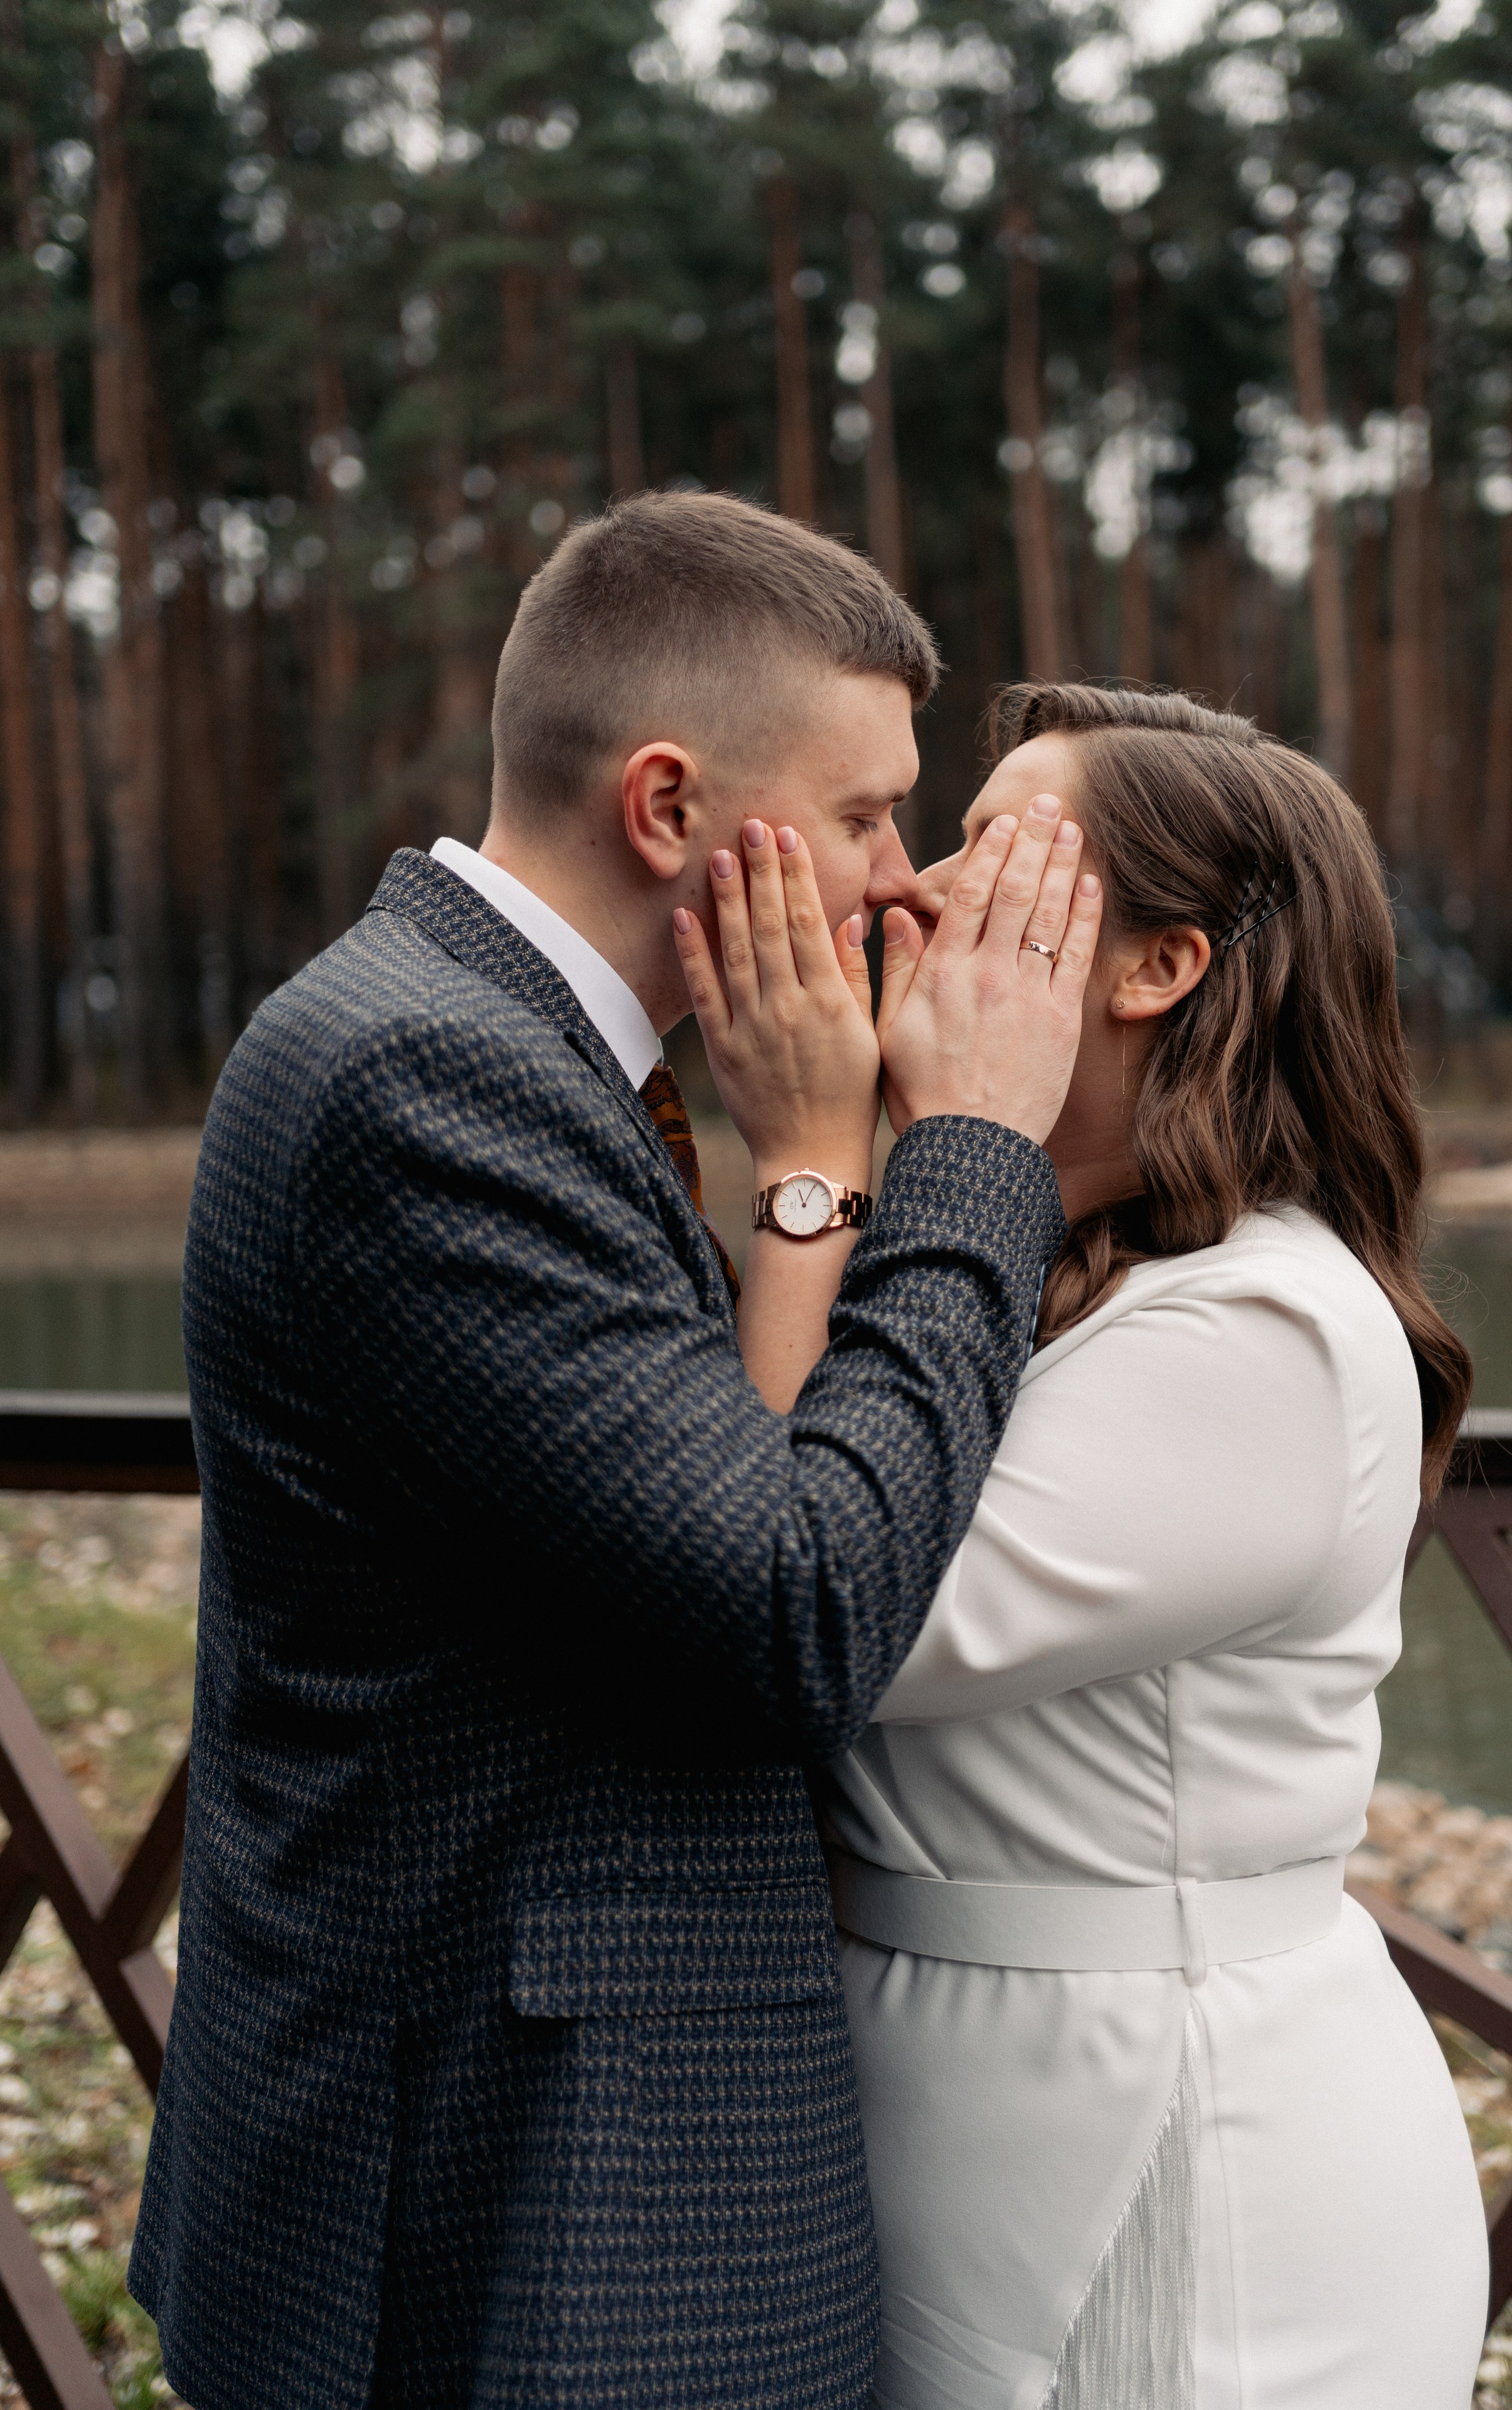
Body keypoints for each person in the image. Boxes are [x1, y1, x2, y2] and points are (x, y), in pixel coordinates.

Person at [127, 493, 1104, 2410]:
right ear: (667, 808)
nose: (902, 884)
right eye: (860, 815)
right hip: (521, 2209)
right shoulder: (434, 1077)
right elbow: (794, 1604)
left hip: (549, 2170)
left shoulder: (505, 1051)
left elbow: (704, 1514)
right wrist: (977, 1145)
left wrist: (814, 1171)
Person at [703, 683, 1490, 2410]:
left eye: (990, 855)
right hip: (973, 2105)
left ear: (1156, 966)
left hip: (1166, 2164)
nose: (907, 890)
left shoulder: (1261, 1334)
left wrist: (813, 1163)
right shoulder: (1025, 1270)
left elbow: (796, 1602)